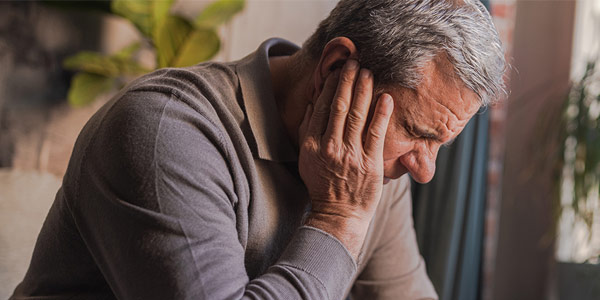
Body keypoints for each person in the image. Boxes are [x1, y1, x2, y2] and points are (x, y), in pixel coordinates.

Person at [11, 0, 505, 299]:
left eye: (440, 143)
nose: (424, 171)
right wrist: (338, 220)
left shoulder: (375, 164)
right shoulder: (168, 132)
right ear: (335, 69)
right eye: (419, 132)